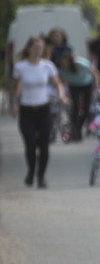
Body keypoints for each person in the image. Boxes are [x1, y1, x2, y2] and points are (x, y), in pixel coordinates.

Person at [11, 36, 68, 188]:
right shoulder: (21, 67)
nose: (38, 50)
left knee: (44, 146)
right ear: (29, 48)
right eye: (36, 47)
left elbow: (58, 84)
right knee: (30, 145)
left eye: (41, 48)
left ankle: (41, 176)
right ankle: (31, 170)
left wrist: (61, 95)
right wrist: (15, 104)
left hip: (43, 109)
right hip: (27, 110)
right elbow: (16, 87)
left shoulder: (47, 66)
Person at [55, 50, 100, 141]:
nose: (64, 66)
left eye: (65, 63)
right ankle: (75, 130)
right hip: (74, 86)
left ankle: (79, 127)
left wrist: (97, 85)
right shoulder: (61, 69)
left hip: (86, 84)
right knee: (75, 107)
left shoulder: (80, 63)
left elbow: (95, 72)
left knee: (86, 108)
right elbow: (60, 82)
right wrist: (63, 95)